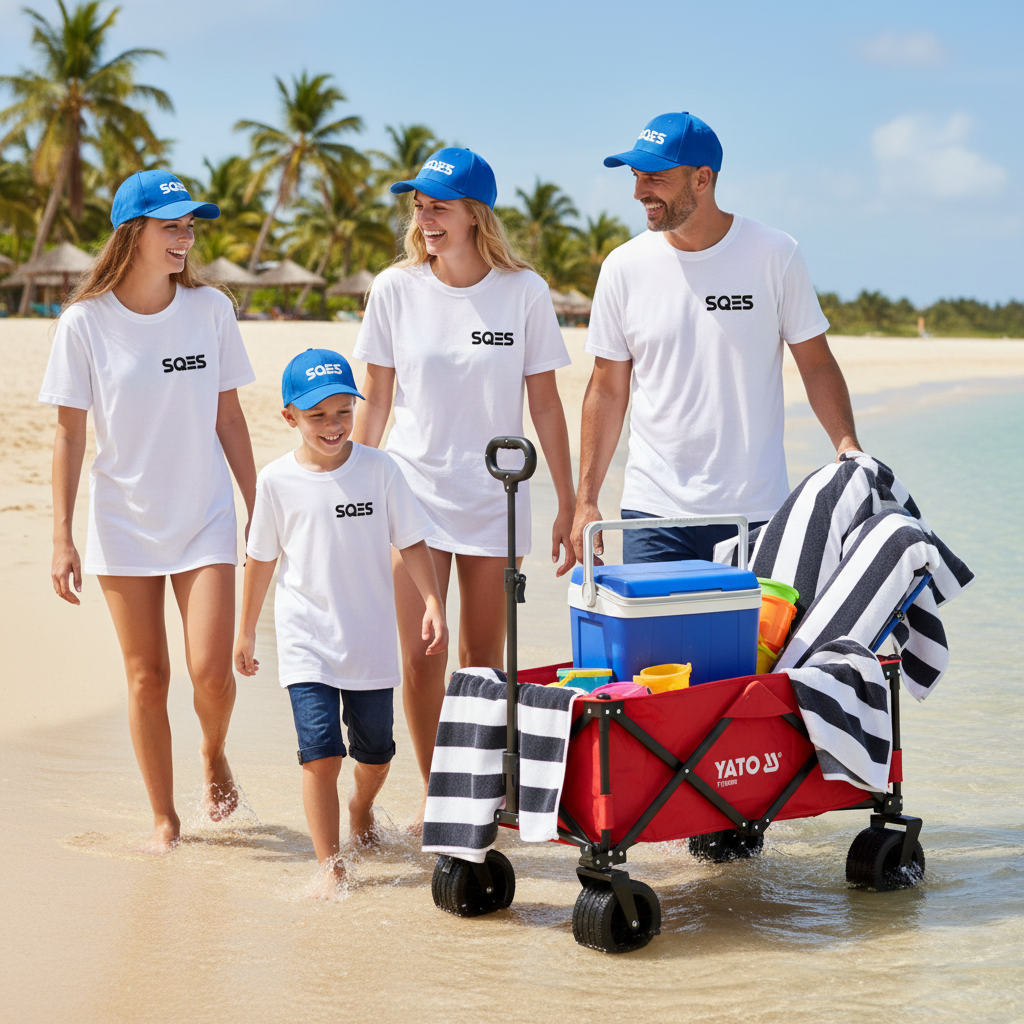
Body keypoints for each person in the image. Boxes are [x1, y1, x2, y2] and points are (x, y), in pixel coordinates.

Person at [352, 147, 577, 828]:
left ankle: (475, 789)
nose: (423, 218)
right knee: (423, 655)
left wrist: (570, 500)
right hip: (410, 491)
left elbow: (545, 405)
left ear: (476, 216)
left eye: (438, 206)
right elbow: (376, 399)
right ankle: (434, 791)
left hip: (494, 501)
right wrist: (353, 496)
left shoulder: (524, 293)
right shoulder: (395, 289)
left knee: (482, 662)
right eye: (417, 205)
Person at [42, 170, 257, 852]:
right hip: (124, 520)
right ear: (131, 234)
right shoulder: (84, 324)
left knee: (211, 673)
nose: (186, 238)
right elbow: (70, 434)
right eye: (173, 226)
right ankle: (165, 818)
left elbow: (230, 417)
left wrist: (262, 506)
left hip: (205, 517)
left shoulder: (211, 310)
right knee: (147, 676)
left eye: (191, 226)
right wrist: (60, 537)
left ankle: (212, 750)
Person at [570, 112, 862, 566]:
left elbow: (816, 362)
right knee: (654, 641)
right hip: (653, 513)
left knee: (751, 641)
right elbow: (607, 388)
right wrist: (585, 498)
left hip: (755, 512)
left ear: (702, 179)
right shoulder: (623, 267)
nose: (638, 191)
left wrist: (846, 445)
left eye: (655, 178)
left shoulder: (774, 253)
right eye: (635, 177)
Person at [233, 349, 447, 887]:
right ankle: (330, 866)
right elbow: (260, 560)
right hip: (307, 641)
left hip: (369, 641)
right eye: (317, 416)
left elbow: (413, 541)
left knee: (375, 755)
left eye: (342, 412)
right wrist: (245, 631)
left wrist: (433, 602)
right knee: (320, 755)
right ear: (290, 417)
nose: (333, 426)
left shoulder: (380, 469)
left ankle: (361, 807)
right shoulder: (276, 481)